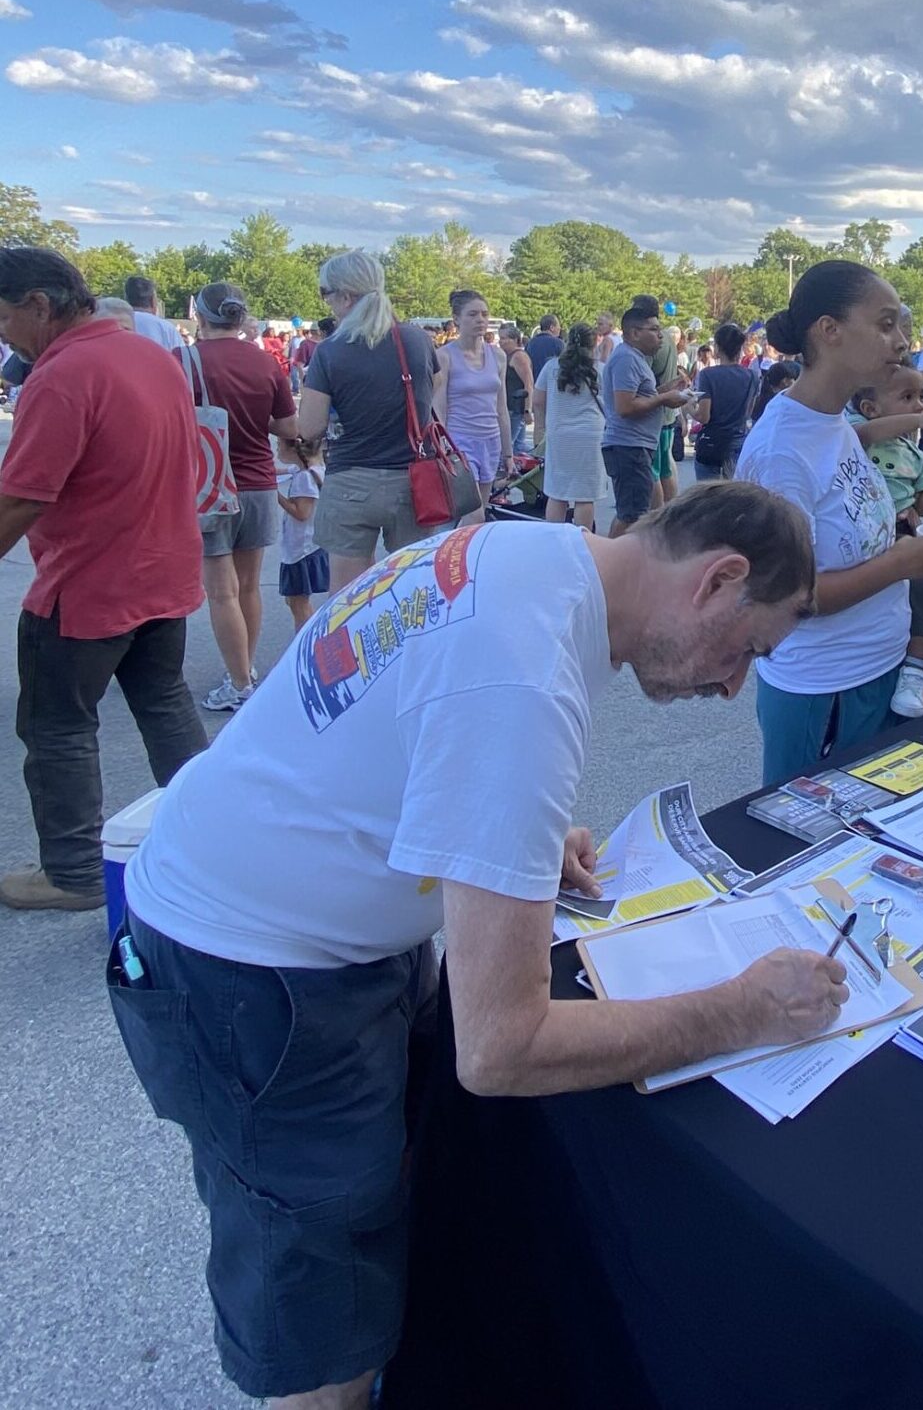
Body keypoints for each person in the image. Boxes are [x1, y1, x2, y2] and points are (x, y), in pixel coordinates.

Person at [107, 486, 833, 1410]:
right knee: (326, 1321)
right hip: (254, 974)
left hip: (278, 920)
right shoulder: (522, 678)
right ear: (718, 579)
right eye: (749, 650)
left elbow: (416, 712)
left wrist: (511, 830)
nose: (734, 685)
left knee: (374, 1226)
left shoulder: (534, 558)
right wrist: (743, 1010)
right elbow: (501, 1048)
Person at [0, 247, 209, 912]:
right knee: (166, 708)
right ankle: (209, 839)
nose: (2, 333)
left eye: (3, 317)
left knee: (57, 726)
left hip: (88, 585)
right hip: (162, 572)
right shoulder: (148, 354)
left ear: (38, 305)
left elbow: (24, 495)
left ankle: (71, 871)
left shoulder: (62, 375)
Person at [739, 260, 923, 783]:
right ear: (829, 331)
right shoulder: (780, 453)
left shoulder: (834, 423)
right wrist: (901, 564)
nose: (901, 342)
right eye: (885, 325)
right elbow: (795, 596)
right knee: (807, 845)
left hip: (877, 671)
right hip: (823, 690)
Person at [185, 282, 301, 712]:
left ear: (200, 316)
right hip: (259, 483)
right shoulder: (266, 363)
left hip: (208, 486)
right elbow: (289, 430)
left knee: (221, 592)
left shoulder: (183, 361)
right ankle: (246, 669)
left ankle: (238, 683)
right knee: (250, 586)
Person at [297, 251, 442, 593]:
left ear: (346, 296)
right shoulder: (416, 341)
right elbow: (430, 390)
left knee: (348, 597)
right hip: (412, 482)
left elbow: (310, 428)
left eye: (326, 293)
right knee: (412, 591)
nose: (327, 303)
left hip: (351, 481)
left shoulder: (331, 350)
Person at [851, 364, 923, 718]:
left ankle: (915, 671)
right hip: (864, 531)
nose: (920, 405)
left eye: (922, 397)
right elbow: (865, 434)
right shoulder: (858, 434)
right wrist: (921, 421)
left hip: (903, 530)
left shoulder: (914, 455)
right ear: (871, 408)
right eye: (907, 397)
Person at [600, 301, 687, 536]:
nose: (661, 336)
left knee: (635, 511)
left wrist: (667, 390)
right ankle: (609, 564)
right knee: (632, 515)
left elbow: (640, 397)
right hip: (628, 446)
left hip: (636, 446)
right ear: (635, 333)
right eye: (655, 330)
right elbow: (625, 407)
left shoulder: (634, 358)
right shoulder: (626, 359)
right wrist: (664, 399)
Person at [432, 289, 511, 519]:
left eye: (485, 315)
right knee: (473, 514)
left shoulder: (498, 356)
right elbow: (439, 406)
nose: (480, 320)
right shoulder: (444, 356)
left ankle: (462, 552)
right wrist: (441, 445)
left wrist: (508, 452)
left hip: (490, 440)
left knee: (482, 511)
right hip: (459, 442)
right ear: (456, 319)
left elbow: (502, 408)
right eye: (473, 314)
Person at [532, 322, 605, 529]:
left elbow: (537, 400)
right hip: (591, 434)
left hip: (560, 434)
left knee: (558, 492)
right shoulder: (600, 369)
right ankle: (583, 542)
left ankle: (553, 539)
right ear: (594, 343)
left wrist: (542, 424)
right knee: (585, 495)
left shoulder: (552, 367)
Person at [690, 321, 757, 482]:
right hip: (738, 441)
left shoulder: (708, 375)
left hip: (711, 442)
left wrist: (688, 406)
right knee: (734, 497)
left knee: (707, 497)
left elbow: (703, 416)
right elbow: (749, 412)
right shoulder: (752, 376)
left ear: (718, 348)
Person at [276, 437, 329, 631]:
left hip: (301, 550)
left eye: (279, 445)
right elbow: (281, 471)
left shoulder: (304, 478)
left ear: (293, 451)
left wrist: (276, 495)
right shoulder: (307, 470)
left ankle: (306, 642)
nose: (276, 447)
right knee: (294, 601)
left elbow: (302, 512)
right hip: (305, 546)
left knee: (299, 604)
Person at [500, 322, 536, 459]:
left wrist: (527, 409)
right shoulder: (508, 356)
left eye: (504, 339)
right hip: (512, 406)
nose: (501, 342)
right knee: (518, 445)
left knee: (508, 443)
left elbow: (528, 383)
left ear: (515, 340)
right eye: (500, 338)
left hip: (516, 407)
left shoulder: (519, 357)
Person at [123, 274, 184, 350]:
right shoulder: (167, 329)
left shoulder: (117, 325)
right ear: (153, 301)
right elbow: (181, 359)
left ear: (126, 299)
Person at [525, 313, 563, 379]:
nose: (560, 328)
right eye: (558, 326)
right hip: (552, 382)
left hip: (535, 383)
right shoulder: (558, 343)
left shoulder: (530, 343)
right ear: (552, 327)